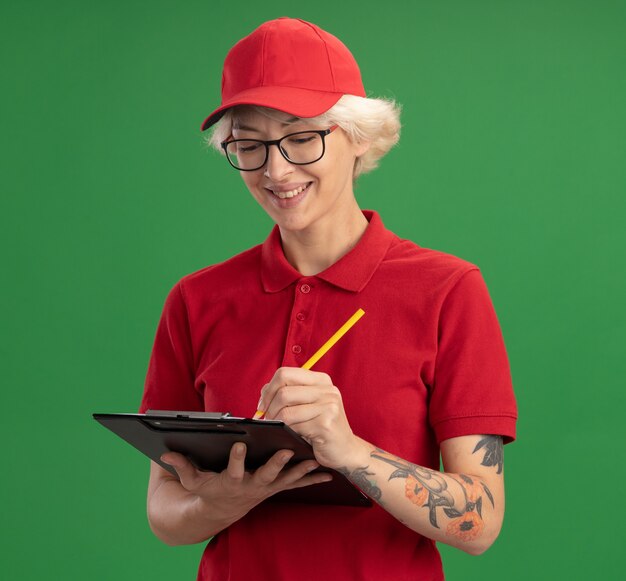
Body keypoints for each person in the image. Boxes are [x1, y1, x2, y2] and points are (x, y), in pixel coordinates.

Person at [140, 17, 517, 581]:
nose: (276, 169)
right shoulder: (197, 300)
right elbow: (164, 514)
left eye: (300, 137)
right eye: (250, 144)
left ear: (358, 136)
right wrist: (227, 499)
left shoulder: (448, 289)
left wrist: (349, 451)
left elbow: (480, 523)